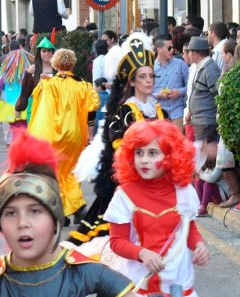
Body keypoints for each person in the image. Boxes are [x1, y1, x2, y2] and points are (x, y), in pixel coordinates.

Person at [0, 131, 159, 297]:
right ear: (0, 225)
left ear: (55, 218)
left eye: (35, 211)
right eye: (11, 213)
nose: (23, 223)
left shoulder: (93, 277)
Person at [104, 120, 210, 297]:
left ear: (170, 157)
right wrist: (142, 253)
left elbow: (189, 229)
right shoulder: (124, 195)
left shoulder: (185, 192)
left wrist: (199, 246)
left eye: (153, 153)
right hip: (139, 293)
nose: (144, 160)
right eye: (139, 152)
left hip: (179, 289)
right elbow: (116, 242)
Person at [70, 34, 167, 245]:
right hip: (130, 185)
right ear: (131, 81)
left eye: (151, 76)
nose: (149, 80)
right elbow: (122, 152)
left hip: (158, 184)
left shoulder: (159, 110)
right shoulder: (125, 111)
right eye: (143, 76)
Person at [27, 48, 100, 219]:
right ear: (73, 63)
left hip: (51, 135)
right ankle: (75, 205)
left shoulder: (48, 84)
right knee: (71, 171)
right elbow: (91, 111)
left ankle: (64, 211)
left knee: (55, 172)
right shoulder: (84, 86)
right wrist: (90, 135)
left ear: (55, 64)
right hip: (74, 135)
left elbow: (37, 107)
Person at [152, 34, 189, 131]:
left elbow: (191, 85)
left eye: (173, 47)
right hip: (158, 114)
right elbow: (144, 92)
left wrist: (179, 92)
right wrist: (158, 95)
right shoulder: (150, 67)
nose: (172, 50)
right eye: (169, 48)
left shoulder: (180, 64)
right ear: (159, 49)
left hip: (178, 113)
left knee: (179, 144)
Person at [15, 37, 56, 121]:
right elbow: (25, 91)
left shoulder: (58, 69)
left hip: (54, 108)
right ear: (39, 53)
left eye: (49, 51)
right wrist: (18, 107)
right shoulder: (32, 69)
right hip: (36, 107)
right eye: (44, 51)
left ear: (53, 52)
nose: (47, 54)